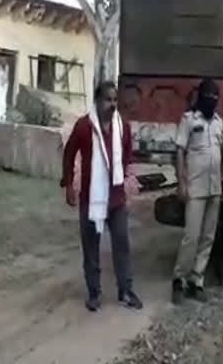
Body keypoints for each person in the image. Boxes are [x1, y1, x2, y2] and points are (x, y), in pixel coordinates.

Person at [61, 81, 143, 312]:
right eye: (108, 99)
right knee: (91, 248)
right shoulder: (84, 126)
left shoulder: (122, 128)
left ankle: (125, 290)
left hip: (116, 199)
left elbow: (127, 157)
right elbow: (69, 153)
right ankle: (94, 292)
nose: (112, 104)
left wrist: (125, 180)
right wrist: (68, 184)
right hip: (91, 198)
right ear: (97, 101)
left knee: (122, 244)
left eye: (115, 100)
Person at [172, 78, 223, 305]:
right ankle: (178, 281)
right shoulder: (189, 120)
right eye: (208, 96)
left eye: (215, 97)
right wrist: (181, 183)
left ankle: (196, 281)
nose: (212, 100)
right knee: (191, 237)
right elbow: (180, 152)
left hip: (214, 189)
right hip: (194, 188)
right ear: (200, 97)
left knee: (207, 238)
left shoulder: (220, 123)